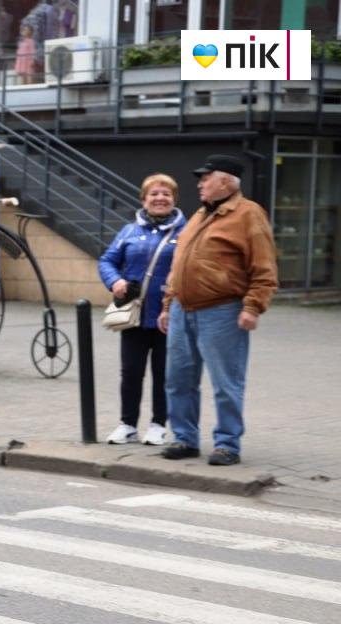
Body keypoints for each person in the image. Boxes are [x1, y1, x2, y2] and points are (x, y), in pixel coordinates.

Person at [158, 154, 279, 466]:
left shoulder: (248, 214)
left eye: (205, 178)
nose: (199, 184)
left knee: (226, 382)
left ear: (226, 181)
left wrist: (253, 307)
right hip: (182, 310)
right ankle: (184, 439)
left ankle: (227, 444)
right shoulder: (199, 215)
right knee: (177, 380)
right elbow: (178, 265)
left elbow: (264, 268)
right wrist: (168, 304)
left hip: (223, 311)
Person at [98, 173, 186, 446]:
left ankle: (158, 425)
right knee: (131, 372)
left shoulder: (185, 232)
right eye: (154, 194)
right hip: (134, 315)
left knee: (164, 374)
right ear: (143, 199)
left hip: (168, 316)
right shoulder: (129, 231)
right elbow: (107, 261)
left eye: (166, 194)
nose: (160, 198)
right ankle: (127, 424)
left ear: (174, 199)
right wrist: (115, 281)